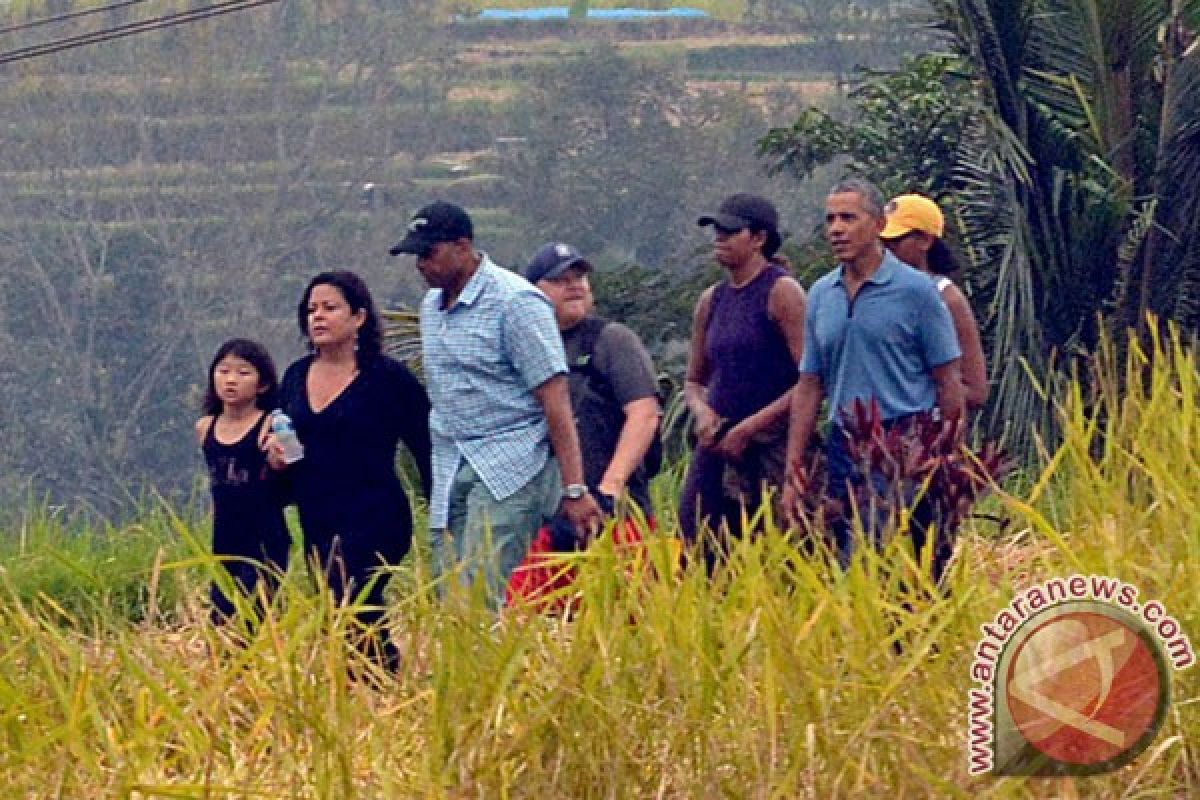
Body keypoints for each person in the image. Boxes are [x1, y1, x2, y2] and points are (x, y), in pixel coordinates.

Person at [389, 202, 602, 608]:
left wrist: (574, 488)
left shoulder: (515, 302)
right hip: (453, 459)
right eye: (416, 256)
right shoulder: (432, 310)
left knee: (480, 592)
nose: (421, 265)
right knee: (447, 588)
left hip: (511, 462)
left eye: (429, 253)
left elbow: (555, 399)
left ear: (463, 246)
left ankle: (490, 668)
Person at [782, 178, 964, 575]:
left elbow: (949, 381)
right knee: (840, 553)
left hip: (905, 440)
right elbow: (810, 384)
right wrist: (794, 470)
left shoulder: (917, 292)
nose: (836, 228)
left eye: (849, 217)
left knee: (877, 562)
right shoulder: (820, 294)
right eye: (830, 219)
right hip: (844, 440)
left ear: (879, 224)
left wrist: (950, 460)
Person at [268, 271, 432, 671]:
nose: (318, 317)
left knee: (356, 596)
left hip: (376, 513)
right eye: (311, 310)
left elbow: (426, 443)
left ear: (359, 317)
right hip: (317, 516)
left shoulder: (387, 378)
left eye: (329, 308)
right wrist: (276, 456)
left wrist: (440, 508)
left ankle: (379, 685)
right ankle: (371, 695)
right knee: (336, 612)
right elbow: (281, 429)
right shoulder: (294, 376)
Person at [508, 242, 662, 607]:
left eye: (579, 277)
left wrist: (610, 486)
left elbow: (644, 413)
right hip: (544, 518)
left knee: (625, 623)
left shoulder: (611, 340)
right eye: (560, 280)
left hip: (616, 515)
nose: (574, 285)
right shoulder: (524, 346)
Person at [681, 192, 807, 566]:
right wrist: (702, 412)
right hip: (718, 442)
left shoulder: (781, 292)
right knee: (699, 539)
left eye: (731, 232)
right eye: (717, 231)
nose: (720, 239)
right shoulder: (712, 299)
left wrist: (751, 428)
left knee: (776, 548)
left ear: (758, 239)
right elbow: (694, 380)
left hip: (771, 444)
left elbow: (810, 381)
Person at [196, 338, 291, 625]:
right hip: (224, 536)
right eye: (223, 371)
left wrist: (279, 456)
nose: (231, 380)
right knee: (222, 618)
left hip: (265, 539)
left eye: (243, 372)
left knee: (254, 620)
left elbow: (297, 461)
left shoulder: (273, 423)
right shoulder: (205, 428)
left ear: (262, 384)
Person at [882, 193, 988, 410]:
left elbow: (976, 391)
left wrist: (910, 391)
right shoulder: (871, 296)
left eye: (895, 241)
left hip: (926, 430)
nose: (887, 250)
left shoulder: (947, 298)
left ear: (925, 240)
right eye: (882, 242)